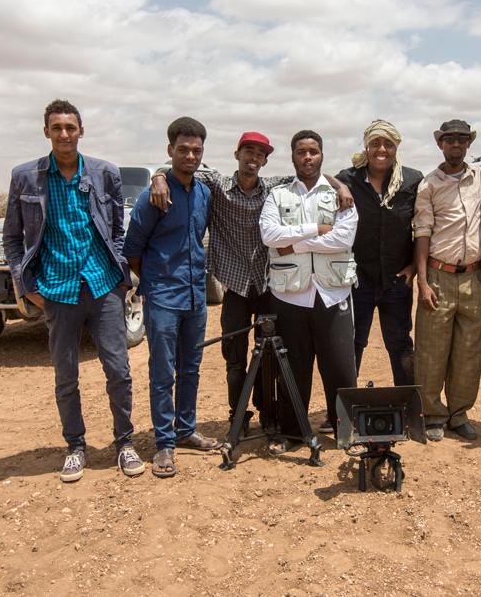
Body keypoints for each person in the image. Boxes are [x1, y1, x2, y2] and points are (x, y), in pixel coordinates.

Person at [148, 134, 353, 436]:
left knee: (271, 355)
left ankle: (270, 416)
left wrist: (340, 185)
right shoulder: (215, 184)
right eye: (248, 152)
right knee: (234, 358)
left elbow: (314, 173)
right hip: (235, 287)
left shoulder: (273, 187)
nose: (253, 158)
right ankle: (238, 415)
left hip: (268, 285)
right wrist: (157, 177)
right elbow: (179, 165)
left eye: (260, 154)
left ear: (266, 160)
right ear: (237, 154)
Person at [2, 98, 144, 482]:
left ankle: (125, 443)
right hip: (57, 289)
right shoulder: (26, 177)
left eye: (70, 127)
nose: (64, 134)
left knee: (118, 369)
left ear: (81, 131)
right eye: (56, 128)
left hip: (102, 285)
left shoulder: (104, 173)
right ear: (46, 131)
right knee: (66, 374)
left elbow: (117, 228)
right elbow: (13, 239)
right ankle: (75, 446)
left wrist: (116, 277)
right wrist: (27, 286)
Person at [123, 117, 218, 478]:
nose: (190, 155)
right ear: (170, 151)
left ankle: (186, 429)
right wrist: (154, 279)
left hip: (196, 296)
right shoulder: (153, 197)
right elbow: (134, 249)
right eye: (183, 150)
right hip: (163, 296)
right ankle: (164, 443)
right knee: (163, 371)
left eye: (196, 150)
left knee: (190, 369)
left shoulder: (204, 193)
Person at [259, 129, 358, 451]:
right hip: (290, 295)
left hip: (333, 293)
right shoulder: (277, 196)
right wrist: (316, 229)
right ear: (293, 157)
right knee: (293, 370)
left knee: (341, 368)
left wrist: (295, 244)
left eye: (313, 151)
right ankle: (292, 433)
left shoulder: (341, 195)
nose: (307, 157)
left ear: (321, 155)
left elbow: (343, 238)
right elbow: (270, 236)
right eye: (301, 151)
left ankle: (347, 431)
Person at [413, 119, 481, 442]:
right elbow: (422, 231)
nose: (455, 145)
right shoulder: (429, 185)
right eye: (449, 140)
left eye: (461, 139)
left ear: (469, 143)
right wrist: (423, 281)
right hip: (439, 276)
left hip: (474, 277)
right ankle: (432, 414)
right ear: (440, 144)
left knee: (469, 349)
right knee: (431, 349)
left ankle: (459, 413)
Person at [336, 119, 422, 386]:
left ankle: (409, 405)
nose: (381, 149)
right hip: (359, 278)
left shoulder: (413, 179)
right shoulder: (348, 178)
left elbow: (423, 225)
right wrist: (337, 186)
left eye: (387, 144)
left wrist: (414, 267)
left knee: (400, 343)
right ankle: (344, 408)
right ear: (367, 147)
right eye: (375, 144)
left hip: (397, 278)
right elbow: (316, 178)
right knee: (352, 342)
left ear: (396, 147)